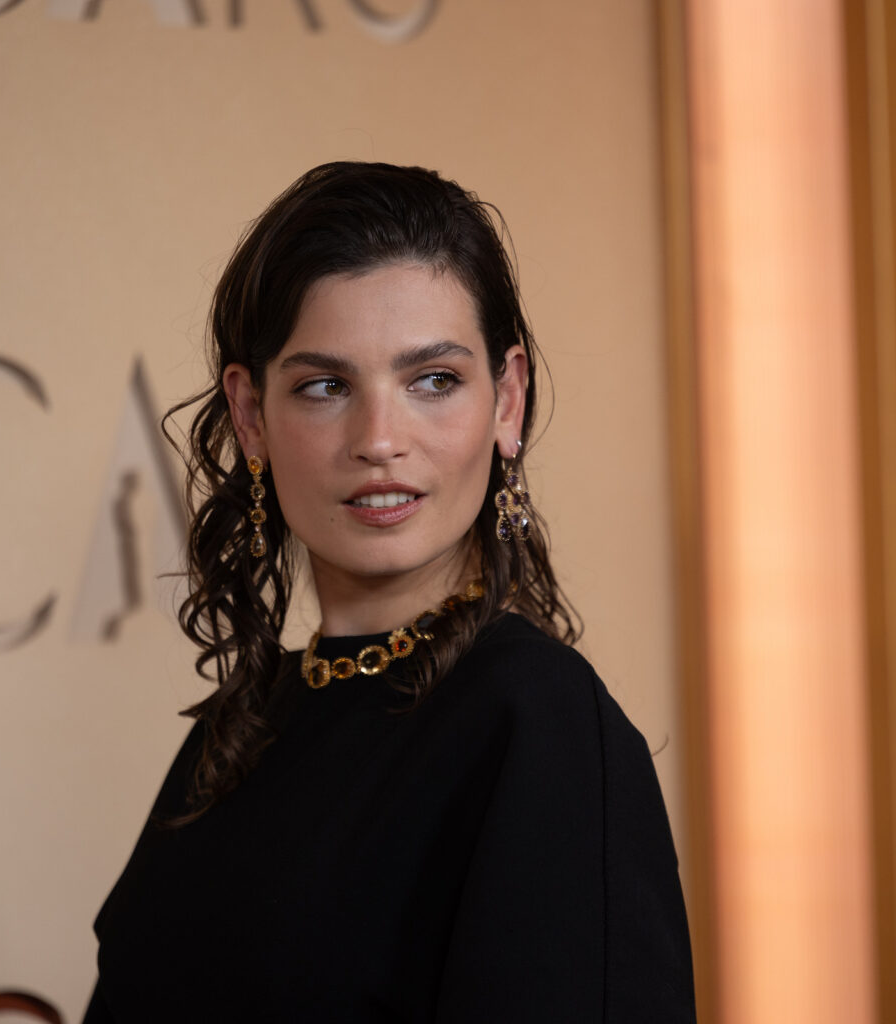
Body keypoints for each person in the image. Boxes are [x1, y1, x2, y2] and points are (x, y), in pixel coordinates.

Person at [84, 162, 696, 1021]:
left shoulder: (540, 724)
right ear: (252, 415)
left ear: (506, 399)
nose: (379, 440)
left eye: (433, 380)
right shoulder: (240, 732)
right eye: (326, 386)